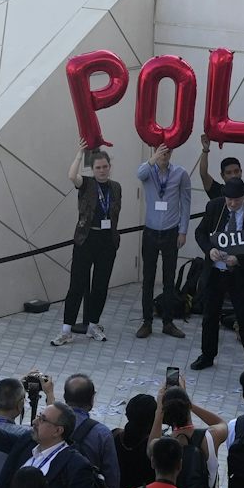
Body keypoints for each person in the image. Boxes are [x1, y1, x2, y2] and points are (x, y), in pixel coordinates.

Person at [192, 177, 244, 371]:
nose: (232, 204)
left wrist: (240, 259)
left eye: (237, 200)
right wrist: (209, 250)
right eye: (229, 200)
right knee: (210, 315)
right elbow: (200, 232)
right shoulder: (215, 207)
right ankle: (207, 354)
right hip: (216, 271)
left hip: (239, 274)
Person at [55, 144, 122, 346]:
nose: (102, 171)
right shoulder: (87, 184)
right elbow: (71, 176)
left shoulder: (116, 187)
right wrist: (79, 155)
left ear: (110, 167)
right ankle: (66, 329)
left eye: (105, 167)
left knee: (100, 285)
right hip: (86, 239)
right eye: (98, 168)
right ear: (92, 169)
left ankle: (93, 324)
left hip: (107, 241)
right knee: (77, 284)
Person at [135, 142, 191, 339]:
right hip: (150, 232)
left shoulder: (181, 174)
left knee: (169, 279)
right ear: (154, 151)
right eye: (161, 151)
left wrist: (183, 231)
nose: (164, 155)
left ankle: (168, 322)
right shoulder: (148, 171)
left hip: (171, 232)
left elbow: (186, 202)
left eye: (168, 151)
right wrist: (153, 159)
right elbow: (139, 174)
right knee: (148, 278)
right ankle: (147, 321)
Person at [197, 135, 244, 201]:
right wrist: (205, 150)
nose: (233, 175)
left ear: (241, 171)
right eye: (228, 173)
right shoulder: (217, 191)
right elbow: (203, 174)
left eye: (236, 171)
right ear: (222, 175)